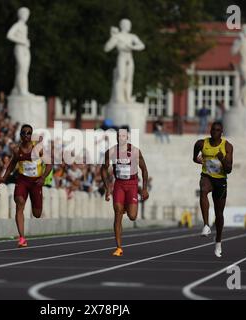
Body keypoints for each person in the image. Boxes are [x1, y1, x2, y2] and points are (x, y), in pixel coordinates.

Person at [0, 124, 53, 247]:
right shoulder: (17, 150)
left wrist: (43, 177)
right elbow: (12, 165)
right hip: (22, 181)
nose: (26, 135)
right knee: (19, 203)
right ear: (20, 135)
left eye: (29, 133)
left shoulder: (38, 149)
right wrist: (4, 177)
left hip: (36, 183)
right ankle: (22, 238)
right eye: (24, 133)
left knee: (37, 214)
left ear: (31, 135)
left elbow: (49, 164)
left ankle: (24, 234)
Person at [101, 126, 149, 257]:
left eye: (122, 136)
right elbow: (103, 169)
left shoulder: (134, 151)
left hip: (132, 185)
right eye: (118, 136)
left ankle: (127, 206)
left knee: (132, 216)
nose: (120, 138)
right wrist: (107, 188)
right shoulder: (111, 152)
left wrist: (144, 188)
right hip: (119, 185)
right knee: (117, 213)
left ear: (127, 137)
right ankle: (118, 247)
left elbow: (144, 170)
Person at [193, 121, 234, 258]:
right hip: (207, 176)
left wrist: (222, 159)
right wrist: (197, 160)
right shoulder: (201, 144)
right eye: (213, 129)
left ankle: (218, 242)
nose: (214, 132)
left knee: (219, 214)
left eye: (217, 130)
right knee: (203, 190)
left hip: (220, 180)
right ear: (210, 131)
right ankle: (205, 225)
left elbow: (229, 170)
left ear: (221, 132)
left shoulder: (227, 146)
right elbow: (194, 158)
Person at [104, 19, 145, 103]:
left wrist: (133, 47)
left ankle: (128, 97)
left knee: (129, 79)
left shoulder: (132, 36)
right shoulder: (117, 36)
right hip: (122, 57)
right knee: (121, 77)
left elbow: (142, 45)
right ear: (122, 25)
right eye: (128, 24)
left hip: (129, 58)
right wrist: (112, 37)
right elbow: (106, 48)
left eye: (130, 24)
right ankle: (119, 98)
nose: (130, 26)